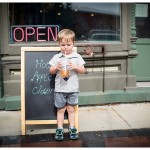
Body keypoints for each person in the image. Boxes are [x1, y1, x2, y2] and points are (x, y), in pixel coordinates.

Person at [49, 29, 85, 141]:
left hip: (73, 89)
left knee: (71, 109)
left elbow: (83, 70)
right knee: (60, 110)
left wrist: (75, 67)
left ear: (73, 44)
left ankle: (72, 127)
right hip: (60, 89)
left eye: (68, 45)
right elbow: (51, 71)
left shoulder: (77, 57)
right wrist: (56, 67)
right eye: (63, 45)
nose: (65, 47)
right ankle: (59, 128)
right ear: (59, 44)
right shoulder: (57, 57)